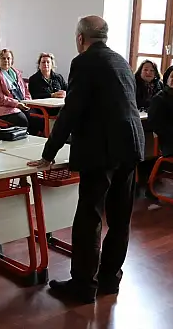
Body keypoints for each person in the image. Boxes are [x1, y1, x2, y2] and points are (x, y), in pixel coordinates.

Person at [28, 16, 145, 304]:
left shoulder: (83, 62)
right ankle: (109, 278)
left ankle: (83, 284)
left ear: (81, 38)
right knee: (120, 218)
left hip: (101, 149)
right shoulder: (121, 60)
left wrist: (48, 153)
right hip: (130, 145)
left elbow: (72, 110)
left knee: (89, 216)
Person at [0, 49, 43, 135]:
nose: (6, 60)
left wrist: (28, 102)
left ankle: (31, 141)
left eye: (8, 58)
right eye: (3, 58)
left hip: (21, 105)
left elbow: (25, 90)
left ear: (12, 60)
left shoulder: (16, 73)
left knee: (37, 119)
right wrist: (16, 104)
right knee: (23, 121)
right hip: (5, 109)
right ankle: (21, 143)